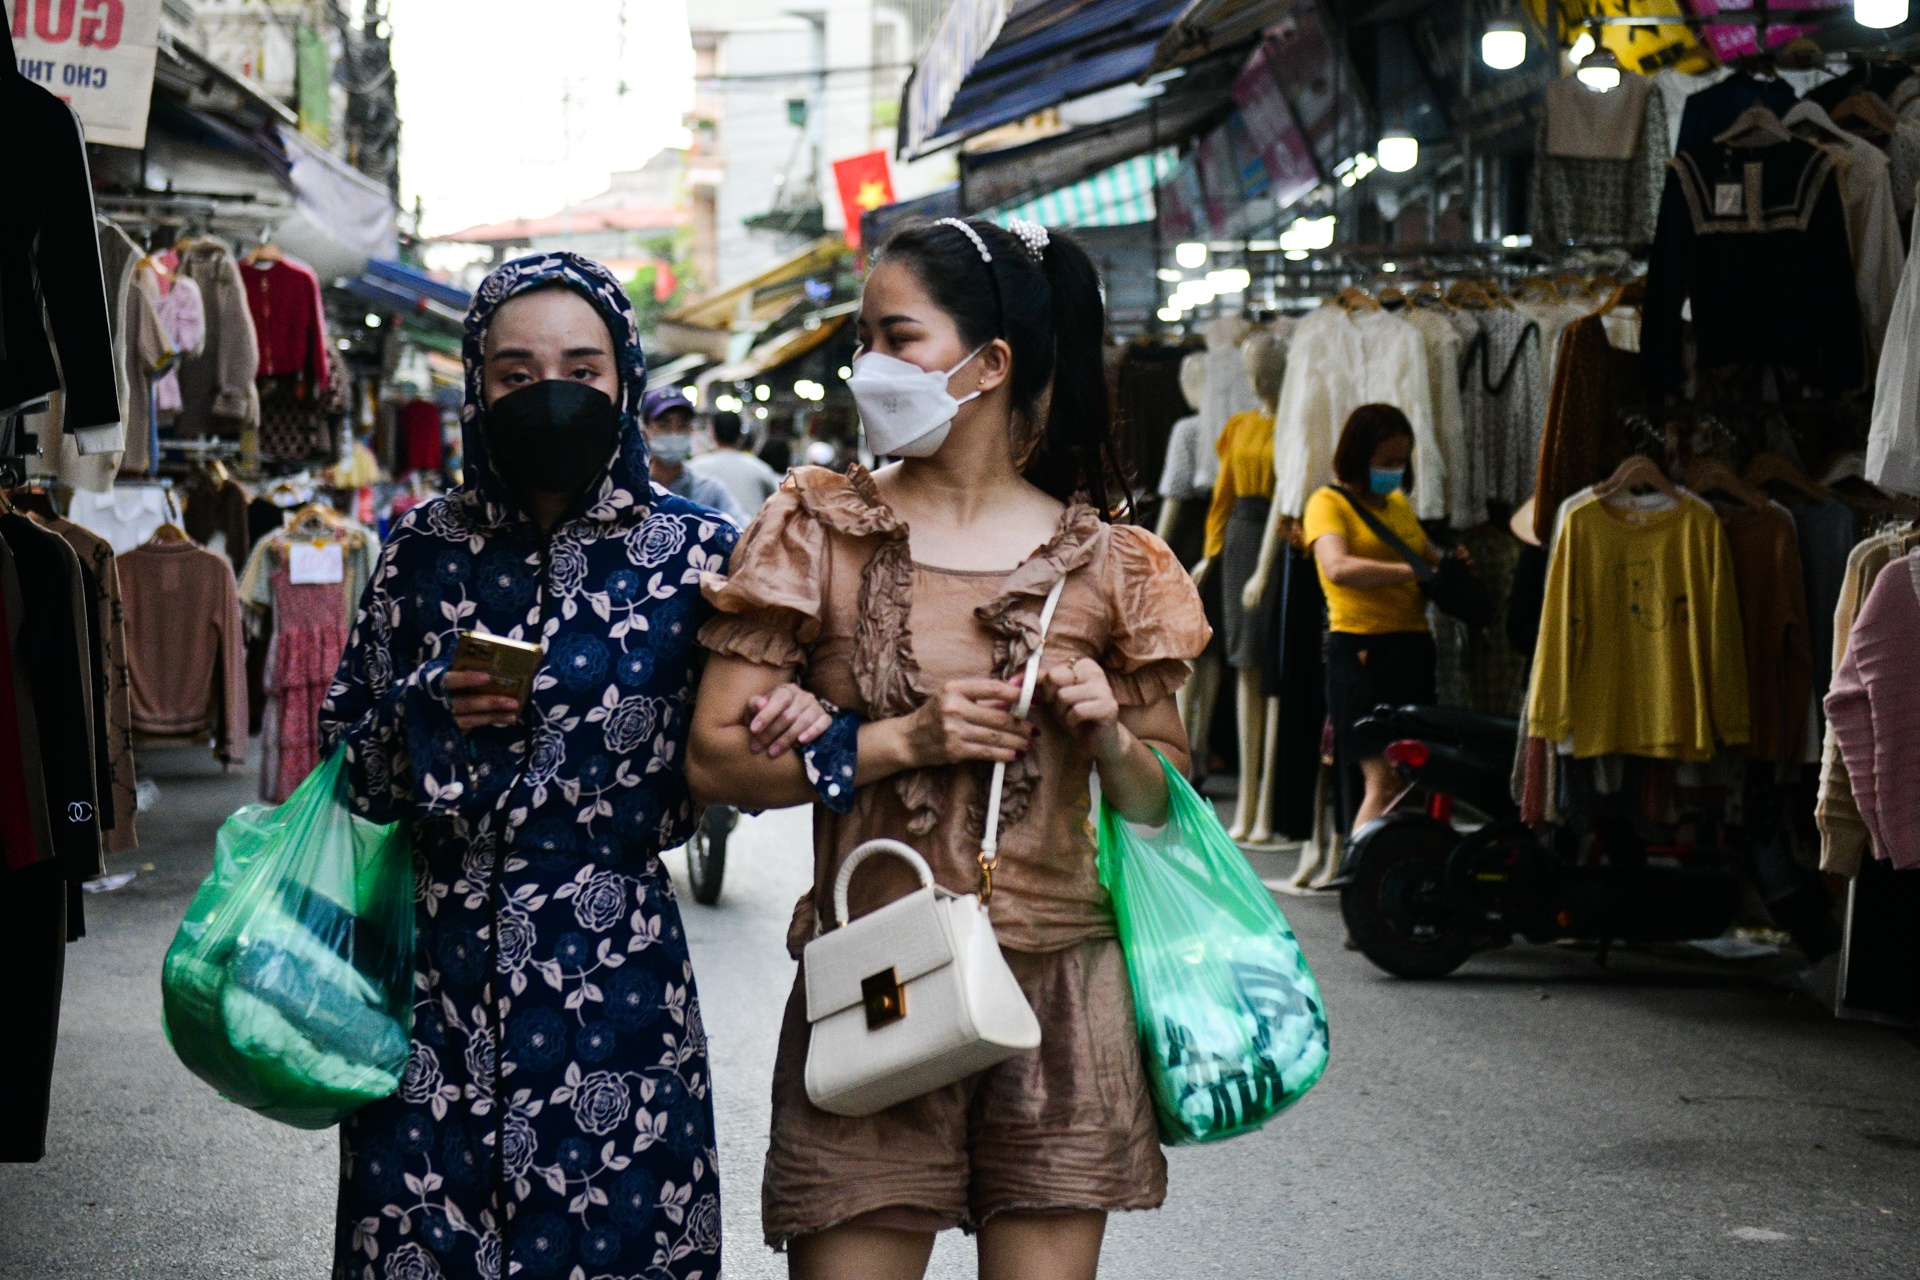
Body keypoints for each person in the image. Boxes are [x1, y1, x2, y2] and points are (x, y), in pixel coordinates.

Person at [686, 216, 1210, 1280]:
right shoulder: (817, 529)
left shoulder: (1116, 564)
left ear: (992, 364)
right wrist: (896, 739)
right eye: (864, 337)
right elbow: (715, 761)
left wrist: (1107, 730)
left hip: (1064, 995)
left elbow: (1162, 804)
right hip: (875, 975)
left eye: (898, 335)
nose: (868, 364)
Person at [319, 253, 763, 1280]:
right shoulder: (422, 548)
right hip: (431, 982)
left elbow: (744, 749)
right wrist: (423, 707)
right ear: (475, 385)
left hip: (615, 984)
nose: (547, 393)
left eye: (580, 367)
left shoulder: (697, 555)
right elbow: (342, 767)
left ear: (625, 380)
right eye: (515, 374)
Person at [1301, 402, 1457, 831]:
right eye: (1385, 461)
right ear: (1357, 454)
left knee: (1411, 779)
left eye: (1401, 461)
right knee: (1383, 781)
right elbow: (1337, 567)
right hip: (1361, 654)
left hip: (1412, 650)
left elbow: (1429, 556)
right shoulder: (1327, 504)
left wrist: (1450, 563)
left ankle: (1387, 874)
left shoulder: (1398, 506)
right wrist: (1414, 571)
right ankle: (1361, 883)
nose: (1394, 470)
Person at [643, 387, 749, 524]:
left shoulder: (709, 491)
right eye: (664, 425)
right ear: (645, 433)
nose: (674, 433)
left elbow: (741, 529)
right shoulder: (634, 490)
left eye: (682, 425)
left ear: (691, 431)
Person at [689, 408, 782, 514]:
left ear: (712, 435)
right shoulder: (760, 468)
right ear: (741, 436)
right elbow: (777, 502)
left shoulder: (693, 468)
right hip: (748, 529)